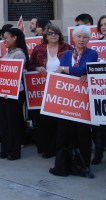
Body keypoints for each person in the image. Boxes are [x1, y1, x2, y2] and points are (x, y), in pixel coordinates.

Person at [49, 25, 98, 178]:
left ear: (89, 39)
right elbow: (62, 71)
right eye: (79, 37)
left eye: (85, 37)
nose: (82, 40)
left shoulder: (92, 53)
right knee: (64, 133)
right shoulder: (66, 54)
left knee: (82, 133)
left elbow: (83, 70)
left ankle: (81, 167)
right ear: (74, 38)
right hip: (66, 99)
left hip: (82, 100)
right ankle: (62, 166)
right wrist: (69, 71)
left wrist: (66, 70)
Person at [28, 24, 72, 158]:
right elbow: (30, 64)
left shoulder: (67, 49)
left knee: (61, 122)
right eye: (51, 33)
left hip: (62, 89)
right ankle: (48, 148)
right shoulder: (39, 48)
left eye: (56, 33)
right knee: (46, 121)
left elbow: (73, 65)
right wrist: (37, 68)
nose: (54, 35)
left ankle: (62, 148)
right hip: (44, 90)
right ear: (45, 36)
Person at [0, 27, 29, 161]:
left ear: (14, 38)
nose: (4, 41)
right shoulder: (8, 52)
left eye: (6, 38)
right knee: (4, 123)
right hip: (3, 91)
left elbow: (14, 74)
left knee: (13, 123)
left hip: (13, 93)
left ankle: (14, 151)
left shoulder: (19, 54)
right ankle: (5, 149)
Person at [91, 15, 106, 164]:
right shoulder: (95, 46)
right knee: (99, 125)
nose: (104, 27)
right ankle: (98, 152)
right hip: (99, 90)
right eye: (101, 25)